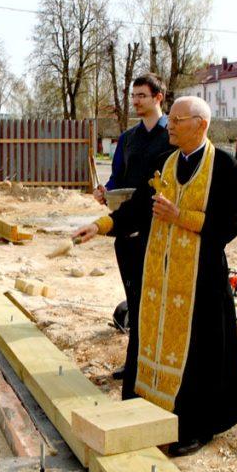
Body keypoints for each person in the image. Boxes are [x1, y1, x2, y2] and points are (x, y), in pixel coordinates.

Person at [73, 95, 237, 457]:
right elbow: (139, 209)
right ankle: (146, 409)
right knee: (149, 338)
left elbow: (229, 227)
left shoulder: (225, 168)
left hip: (200, 280)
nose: (170, 125)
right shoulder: (164, 163)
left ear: (200, 124)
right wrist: (100, 225)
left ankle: (194, 427)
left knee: (198, 352)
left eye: (178, 120)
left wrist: (179, 216)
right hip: (159, 276)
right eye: (170, 119)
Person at [93, 73, 175, 380]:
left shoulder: (173, 135)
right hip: (127, 232)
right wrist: (106, 193)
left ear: (158, 98)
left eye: (141, 95)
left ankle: (162, 364)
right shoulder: (127, 139)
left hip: (161, 231)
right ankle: (136, 362)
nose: (136, 101)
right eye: (134, 96)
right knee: (136, 298)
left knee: (160, 300)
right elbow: (118, 179)